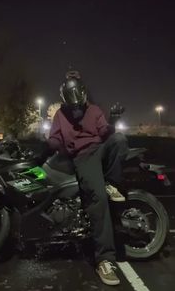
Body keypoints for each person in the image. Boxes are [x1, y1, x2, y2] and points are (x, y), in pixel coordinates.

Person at [37, 73, 128, 286]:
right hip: (83, 156)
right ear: (65, 99)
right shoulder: (60, 115)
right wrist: (44, 147)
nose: (77, 107)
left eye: (79, 99)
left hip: (100, 148)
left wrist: (113, 120)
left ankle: (112, 184)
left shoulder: (94, 110)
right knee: (97, 199)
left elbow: (105, 132)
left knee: (120, 139)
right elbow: (55, 139)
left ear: (84, 94)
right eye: (72, 101)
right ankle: (104, 259)